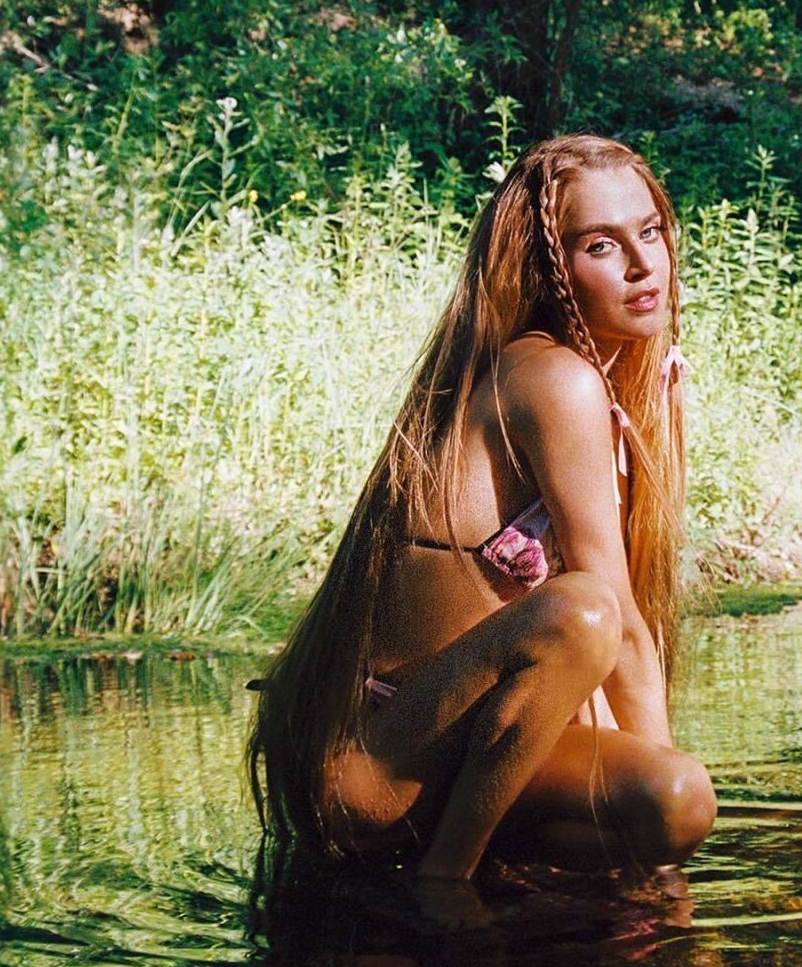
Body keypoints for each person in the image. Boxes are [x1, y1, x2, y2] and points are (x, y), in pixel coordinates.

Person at [247, 134, 717, 890]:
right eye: (601, 245)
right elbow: (614, 621)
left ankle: (518, 901)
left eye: (651, 231)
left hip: (454, 754)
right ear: (547, 267)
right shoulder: (554, 379)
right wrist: (667, 854)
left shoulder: (558, 376)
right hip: (381, 772)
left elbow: (571, 670)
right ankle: (446, 878)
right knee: (668, 784)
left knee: (647, 797)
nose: (643, 265)